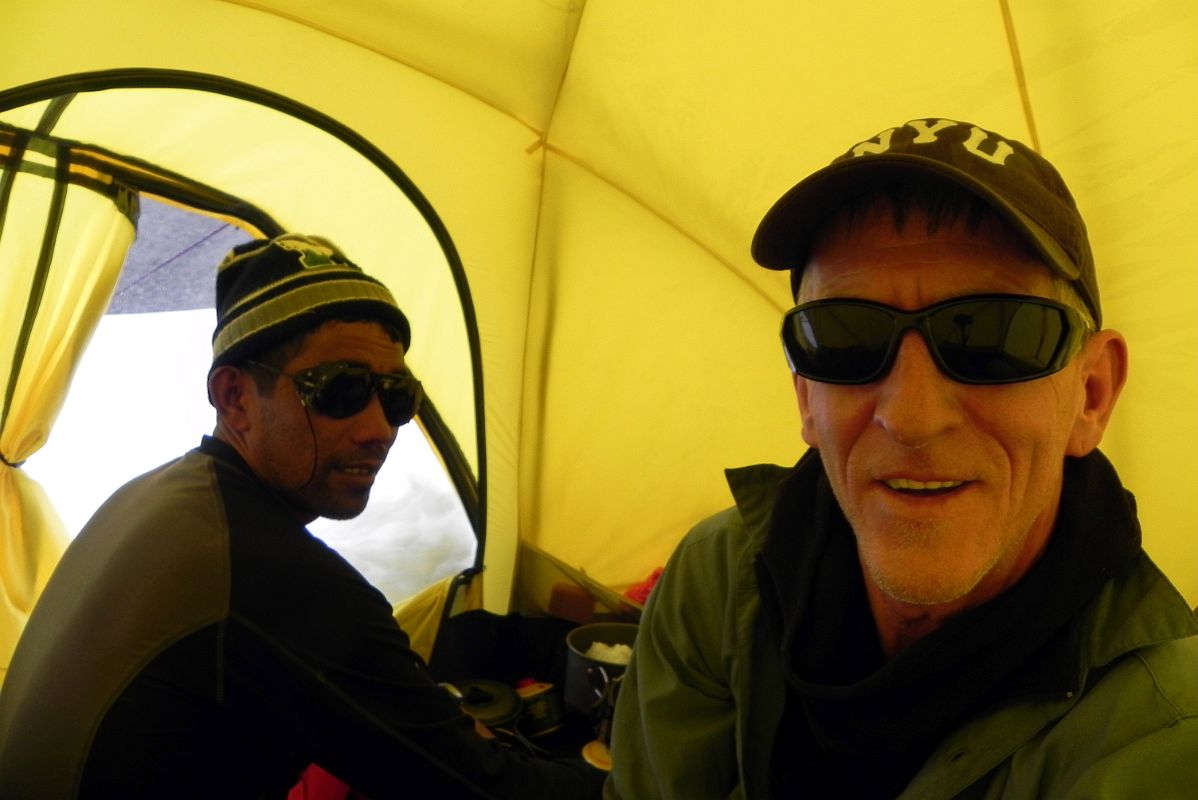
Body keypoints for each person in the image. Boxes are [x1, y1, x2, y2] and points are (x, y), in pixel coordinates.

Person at [604, 119, 1198, 798]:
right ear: (805, 396)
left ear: (1090, 394)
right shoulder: (720, 581)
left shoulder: (1163, 735)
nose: (911, 415)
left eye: (991, 335)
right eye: (845, 337)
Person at [0, 234, 606, 799]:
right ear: (236, 398)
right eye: (338, 391)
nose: (378, 430)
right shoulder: (275, 577)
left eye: (397, 397)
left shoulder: (160, 493)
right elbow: (479, 789)